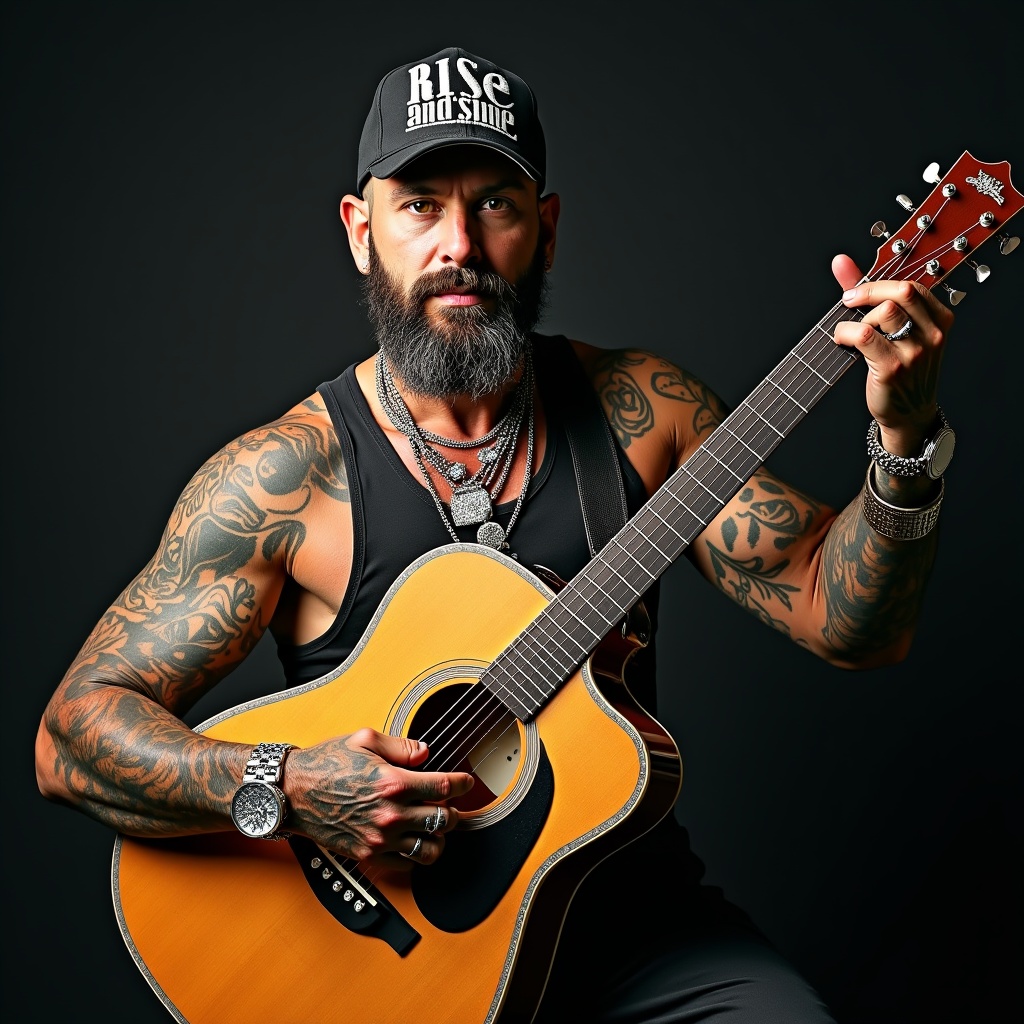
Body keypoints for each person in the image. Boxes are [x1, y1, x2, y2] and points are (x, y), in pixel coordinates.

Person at [35, 45, 956, 1023]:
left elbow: (849, 623)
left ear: (546, 231)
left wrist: (903, 439)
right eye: (420, 204)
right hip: (403, 968)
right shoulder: (288, 478)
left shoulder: (643, 413)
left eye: (496, 206)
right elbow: (70, 741)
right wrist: (293, 785)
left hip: (632, 931)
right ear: (361, 231)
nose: (458, 245)